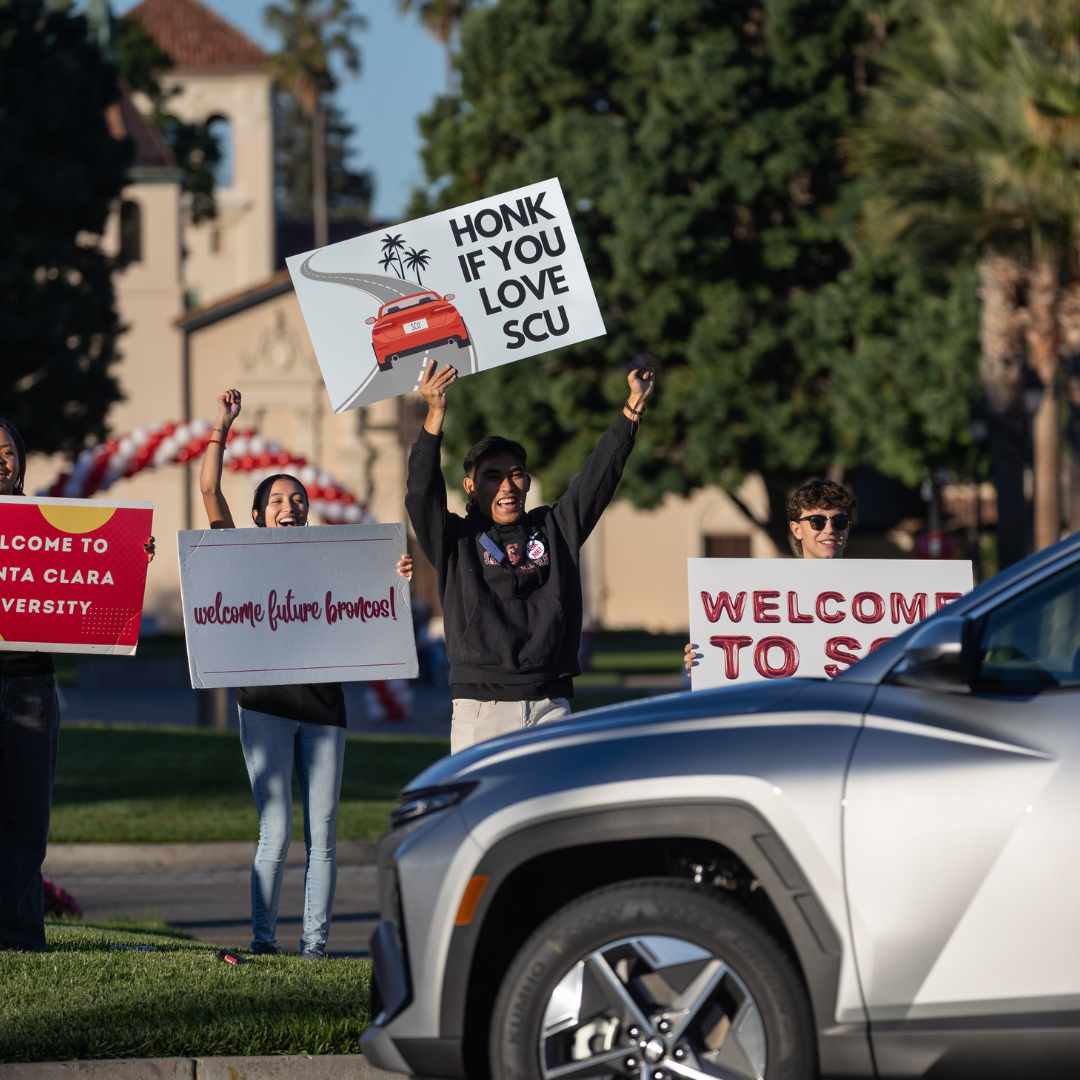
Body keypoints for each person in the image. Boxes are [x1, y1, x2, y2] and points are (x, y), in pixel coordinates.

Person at [200, 389, 412, 958]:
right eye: (276, 500)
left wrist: (397, 572)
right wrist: (222, 426)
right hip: (264, 707)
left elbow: (376, 594)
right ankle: (264, 943)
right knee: (275, 832)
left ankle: (314, 949)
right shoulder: (239, 556)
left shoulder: (330, 558)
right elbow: (209, 491)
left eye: (297, 499)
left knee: (324, 836)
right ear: (258, 514)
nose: (289, 506)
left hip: (324, 710)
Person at [406, 359, 655, 753]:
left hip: (549, 705)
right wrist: (435, 414)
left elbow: (597, 479)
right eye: (492, 476)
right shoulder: (455, 539)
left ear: (527, 481)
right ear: (470, 486)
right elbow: (422, 494)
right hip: (481, 709)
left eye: (516, 474)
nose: (507, 485)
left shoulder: (555, 528)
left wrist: (633, 408)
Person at [0, 420, 153, 951]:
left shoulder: (46, 524)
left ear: (21, 461)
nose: (1, 461)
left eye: (7, 451)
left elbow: (92, 578)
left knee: (26, 822)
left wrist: (132, 555)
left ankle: (19, 940)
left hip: (32, 688)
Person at [685, 478, 857, 673]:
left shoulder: (876, 588)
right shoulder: (768, 592)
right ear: (797, 530)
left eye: (839, 521)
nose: (830, 530)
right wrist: (708, 663)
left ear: (848, 528)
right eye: (817, 521)